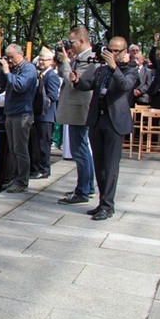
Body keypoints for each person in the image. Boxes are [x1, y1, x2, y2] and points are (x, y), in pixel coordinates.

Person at [69, 37, 138, 220]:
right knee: (99, 164)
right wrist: (77, 80)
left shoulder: (131, 70)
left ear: (124, 52)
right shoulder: (102, 70)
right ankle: (102, 203)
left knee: (110, 166)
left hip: (114, 122)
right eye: (110, 50)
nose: (111, 53)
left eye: (116, 51)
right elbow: (88, 85)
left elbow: (124, 86)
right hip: (97, 119)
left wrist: (114, 67)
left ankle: (108, 205)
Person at [57, 27, 98, 205]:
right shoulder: (79, 58)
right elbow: (62, 73)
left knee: (79, 150)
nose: (70, 45)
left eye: (72, 42)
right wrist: (64, 59)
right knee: (82, 149)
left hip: (79, 109)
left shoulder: (89, 59)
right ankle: (87, 187)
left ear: (81, 41)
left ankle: (82, 191)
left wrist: (66, 61)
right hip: (76, 108)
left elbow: (72, 81)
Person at [0, 44, 38, 193]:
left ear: (20, 55)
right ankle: (15, 177)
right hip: (11, 113)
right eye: (8, 57)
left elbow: (20, 86)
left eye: (11, 57)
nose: (10, 60)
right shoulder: (12, 69)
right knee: (13, 149)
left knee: (20, 149)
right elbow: (2, 85)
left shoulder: (29, 69)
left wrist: (7, 71)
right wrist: (1, 70)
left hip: (23, 114)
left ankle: (22, 181)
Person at [29, 47, 61, 179]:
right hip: (37, 115)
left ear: (51, 61)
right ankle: (36, 168)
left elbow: (53, 96)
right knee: (36, 143)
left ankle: (44, 169)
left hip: (46, 115)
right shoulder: (41, 75)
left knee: (44, 143)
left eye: (44, 60)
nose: (41, 62)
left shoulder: (52, 76)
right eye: (40, 60)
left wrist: (43, 102)